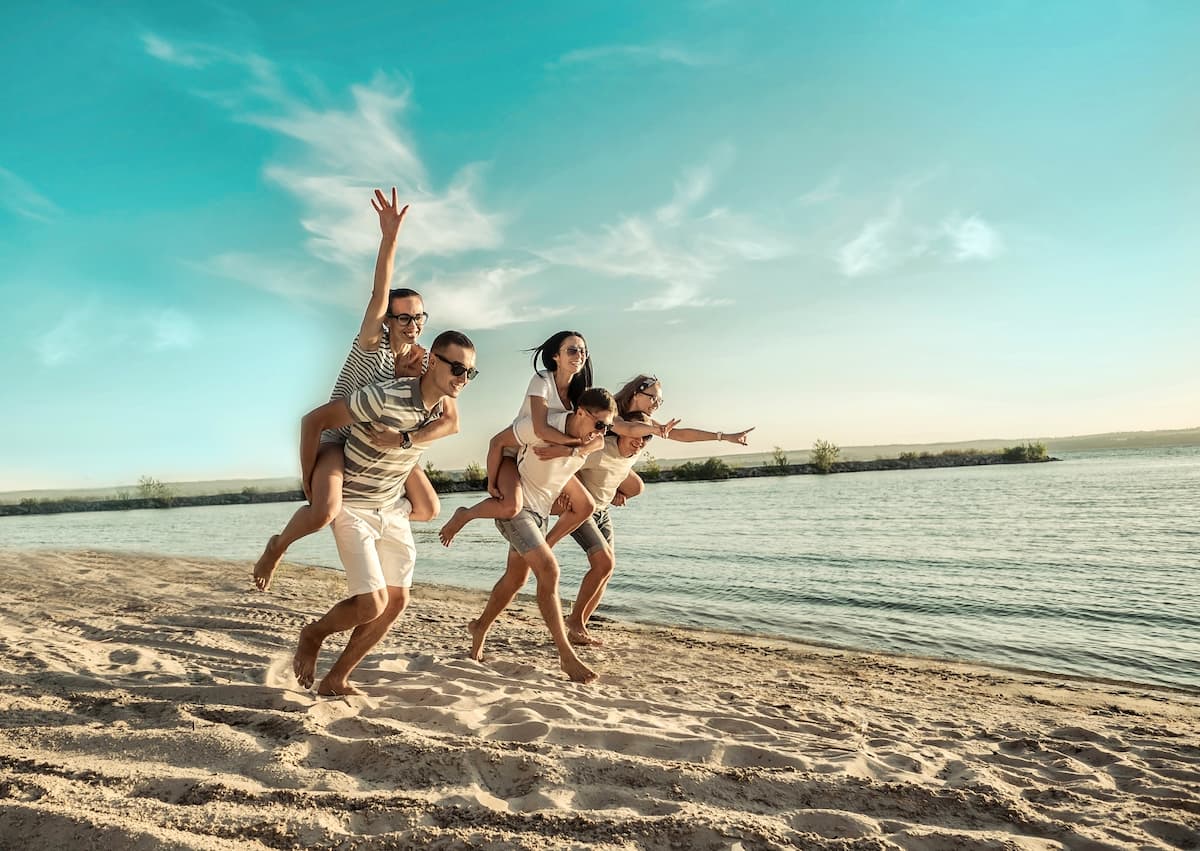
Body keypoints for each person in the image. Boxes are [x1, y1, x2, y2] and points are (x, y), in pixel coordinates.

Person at [254, 189, 457, 591]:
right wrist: (389, 239)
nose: (413, 323)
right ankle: (277, 547)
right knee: (323, 511)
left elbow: (444, 415)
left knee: (429, 508)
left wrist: (407, 439)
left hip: (383, 448)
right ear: (388, 320)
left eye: (419, 316)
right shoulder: (372, 342)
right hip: (339, 440)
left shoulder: (421, 359)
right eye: (403, 317)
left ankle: (372, 514)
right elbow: (379, 292)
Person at [290, 330, 478, 696]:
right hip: (355, 500)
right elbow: (314, 421)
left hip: (390, 503)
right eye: (458, 368)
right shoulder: (385, 395)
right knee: (372, 603)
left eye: (471, 372)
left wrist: (405, 440)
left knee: (396, 601)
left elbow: (454, 423)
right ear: (433, 362)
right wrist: (309, 476)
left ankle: (337, 679)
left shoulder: (443, 403)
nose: (463, 378)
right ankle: (313, 634)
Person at [437, 333, 672, 547]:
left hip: (545, 460)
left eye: (583, 351)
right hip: (513, 452)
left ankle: (545, 547)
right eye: (572, 350)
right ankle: (465, 514)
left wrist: (571, 452)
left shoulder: (581, 394)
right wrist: (573, 447)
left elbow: (601, 438)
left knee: (586, 506)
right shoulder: (542, 381)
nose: (579, 355)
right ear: (555, 356)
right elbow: (540, 429)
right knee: (511, 506)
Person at [466, 388, 621, 684]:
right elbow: (497, 442)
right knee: (549, 570)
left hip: (540, 513)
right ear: (580, 413)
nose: (602, 432)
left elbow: (588, 451)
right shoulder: (540, 428)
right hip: (517, 507)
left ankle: (480, 627)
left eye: (607, 427)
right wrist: (493, 483)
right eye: (599, 424)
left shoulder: (593, 440)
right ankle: (565, 655)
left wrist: (572, 451)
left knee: (516, 579)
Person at [613, 374, 752, 448]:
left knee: (637, 487)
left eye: (659, 401)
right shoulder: (611, 412)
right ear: (636, 395)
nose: (657, 405)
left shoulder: (646, 422)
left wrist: (724, 437)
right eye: (653, 398)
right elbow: (627, 429)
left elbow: (681, 435)